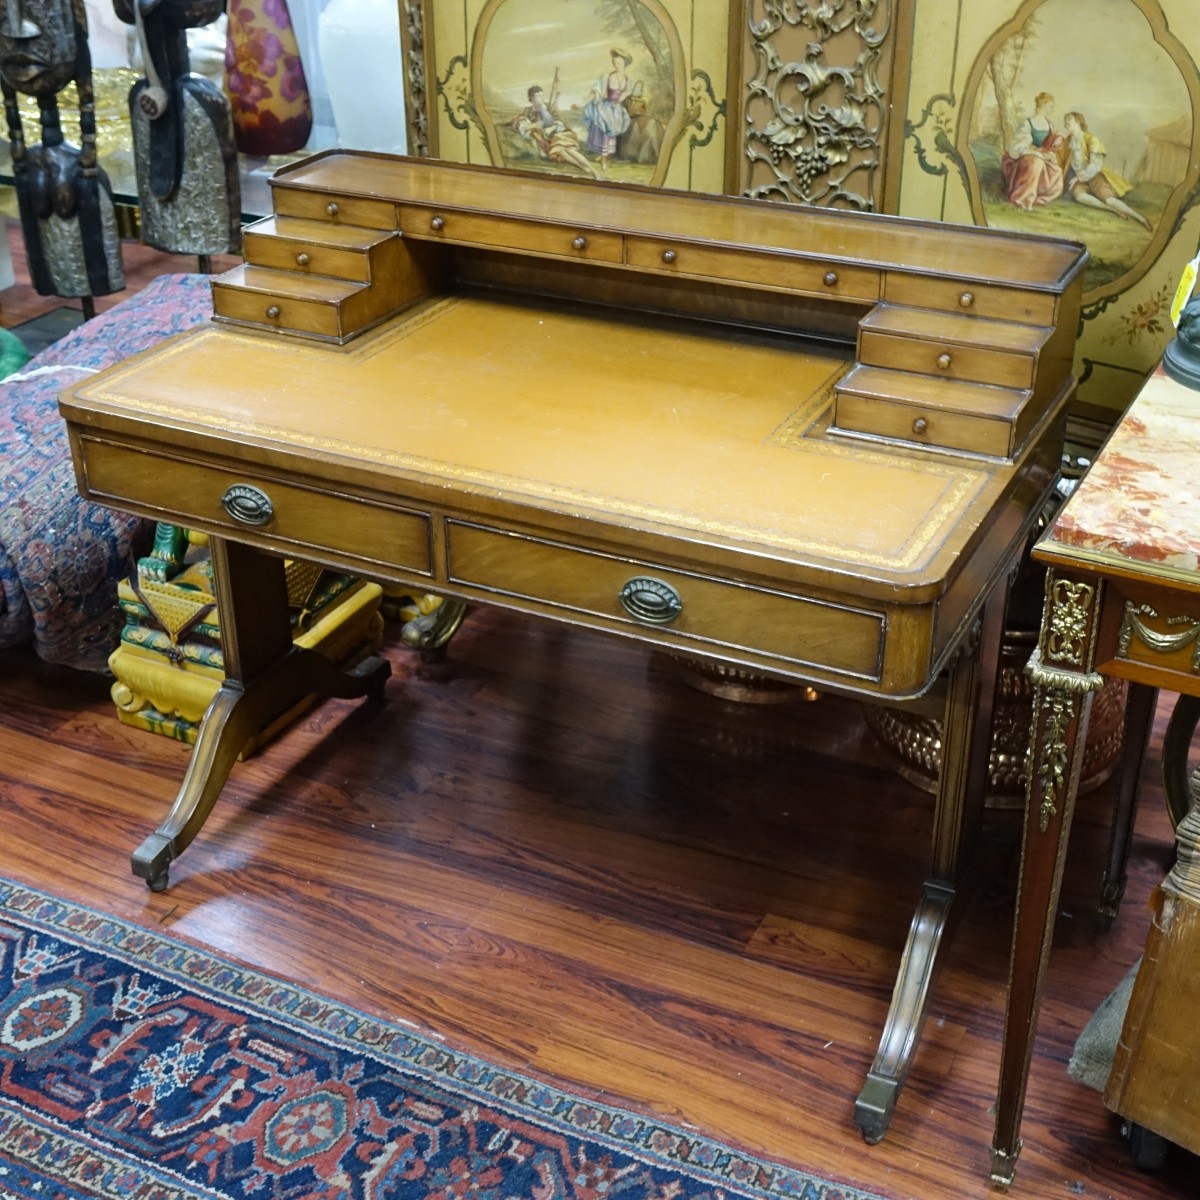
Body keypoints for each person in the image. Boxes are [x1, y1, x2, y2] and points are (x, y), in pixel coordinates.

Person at [1061, 110, 1152, 230]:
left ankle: (1141, 218)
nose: (1066, 122)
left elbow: (1096, 165)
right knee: (1080, 197)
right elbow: (1061, 157)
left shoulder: (1091, 139)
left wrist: (1078, 177)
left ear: (1078, 121)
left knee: (1109, 199)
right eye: (1065, 120)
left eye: (1069, 119)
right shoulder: (1067, 141)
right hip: (1078, 179)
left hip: (1094, 176)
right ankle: (1113, 211)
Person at [509, 71, 598, 179]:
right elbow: (522, 126)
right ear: (531, 98)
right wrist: (534, 125)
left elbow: (559, 120)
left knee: (566, 149)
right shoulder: (527, 111)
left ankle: (593, 170)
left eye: (541, 95)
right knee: (560, 150)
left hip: (559, 134)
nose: (540, 98)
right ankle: (581, 166)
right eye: (537, 96)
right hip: (546, 141)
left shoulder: (549, 106)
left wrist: (552, 128)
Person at [1000, 91, 1064, 210]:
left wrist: (1058, 139)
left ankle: (1038, 199)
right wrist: (1036, 153)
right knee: (1035, 162)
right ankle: (1022, 199)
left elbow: (1056, 135)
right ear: (1043, 105)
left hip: (1041, 157)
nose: (1052, 109)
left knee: (1057, 172)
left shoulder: (1049, 124)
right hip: (1024, 158)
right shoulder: (1028, 123)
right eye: (1051, 106)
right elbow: (1018, 147)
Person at [582, 48, 633, 173]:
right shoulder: (608, 76)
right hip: (606, 106)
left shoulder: (627, 79)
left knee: (612, 130)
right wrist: (583, 101)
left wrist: (623, 97)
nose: (617, 65)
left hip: (616, 108)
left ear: (624, 63)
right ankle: (603, 158)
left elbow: (628, 91)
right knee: (604, 129)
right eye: (615, 63)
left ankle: (606, 155)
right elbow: (597, 90)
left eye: (619, 63)